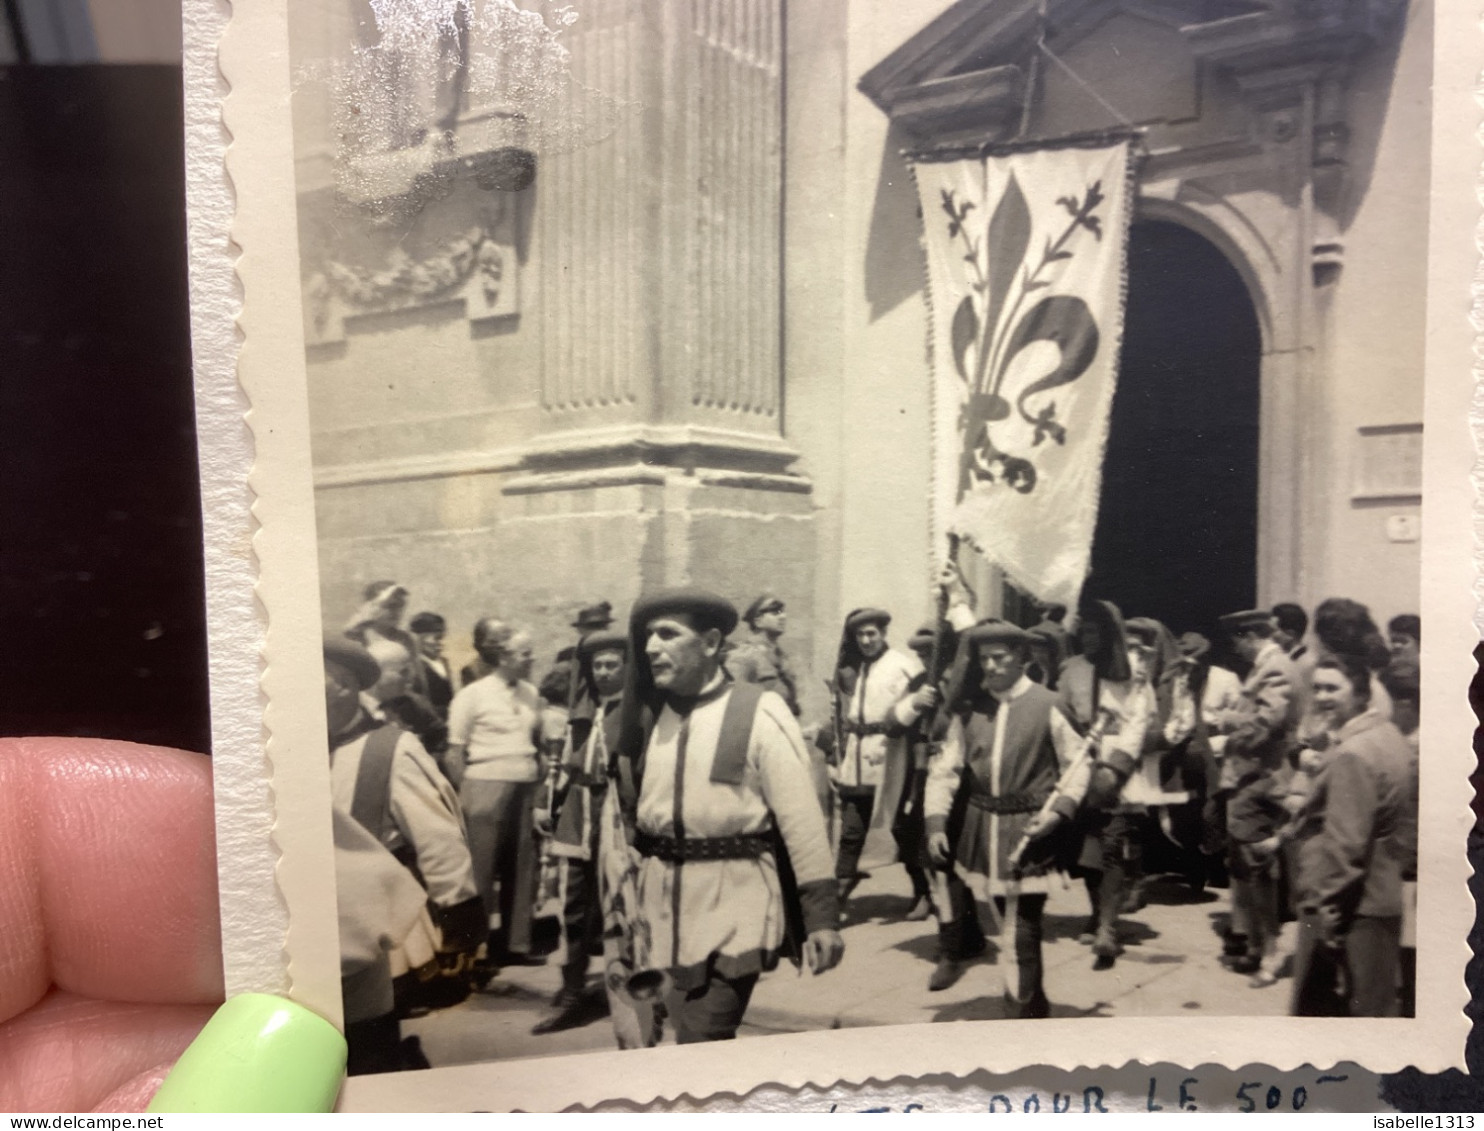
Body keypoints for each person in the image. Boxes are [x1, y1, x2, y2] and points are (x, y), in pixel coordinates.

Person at [611, 588, 844, 1043]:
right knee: (672, 1043)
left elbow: (802, 820)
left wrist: (822, 918)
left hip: (735, 903)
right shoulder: (648, 715)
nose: (651, 647)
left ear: (712, 643)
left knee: (702, 1038)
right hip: (661, 908)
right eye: (647, 636)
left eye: (667, 634)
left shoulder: (758, 710)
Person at [324, 638, 484, 1060]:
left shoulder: (391, 748)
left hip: (373, 931)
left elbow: (439, 836)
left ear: (343, 685)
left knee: (368, 1042)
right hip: (311, 930)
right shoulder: (288, 748)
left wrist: (459, 922)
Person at [922, 619, 1092, 1009]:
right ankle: (1032, 1002)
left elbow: (1079, 764)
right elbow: (945, 771)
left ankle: (1020, 1014)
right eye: (985, 660)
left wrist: (1060, 811)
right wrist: (935, 822)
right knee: (1009, 924)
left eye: (1000, 658)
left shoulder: (1048, 704)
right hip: (982, 833)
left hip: (1030, 832)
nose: (991, 667)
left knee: (1019, 929)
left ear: (1021, 658)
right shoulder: (970, 713)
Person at [1288, 656, 1415, 1016]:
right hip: (1383, 894)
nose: (1322, 697)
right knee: (1375, 1002)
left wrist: (1327, 918)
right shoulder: (1389, 736)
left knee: (1332, 1016)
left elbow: (1346, 848)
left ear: (1361, 694)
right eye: (1317, 688)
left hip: (1348, 904)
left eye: (1332, 688)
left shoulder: (1353, 754)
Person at [533, 630, 628, 1036]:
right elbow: (558, 765)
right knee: (574, 907)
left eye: (612, 664)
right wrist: (544, 801)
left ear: (626, 668)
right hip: (579, 813)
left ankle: (628, 991)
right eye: (597, 666)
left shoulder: (638, 711)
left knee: (622, 904)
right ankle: (572, 992)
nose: (604, 672)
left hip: (618, 815)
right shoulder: (581, 714)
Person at [1058, 599, 1163, 967]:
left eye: (1095, 631)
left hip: (1116, 772)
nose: (1088, 638)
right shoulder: (1070, 671)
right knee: (1087, 854)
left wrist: (1114, 768)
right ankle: (1095, 911)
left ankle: (1108, 927)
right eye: (1084, 631)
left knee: (1113, 846)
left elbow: (1139, 721)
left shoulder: (1131, 671)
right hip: (1079, 768)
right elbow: (1062, 718)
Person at [446, 621, 544, 969]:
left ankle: (516, 943)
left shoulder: (531, 693)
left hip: (524, 784)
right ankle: (478, 948)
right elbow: (455, 752)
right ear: (503, 656)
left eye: (531, 652)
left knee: (523, 867)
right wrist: (464, 797)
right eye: (523, 653)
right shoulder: (472, 695)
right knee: (481, 870)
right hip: (484, 786)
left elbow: (537, 743)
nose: (531, 659)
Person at [1215, 608, 1304, 987]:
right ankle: (1257, 946)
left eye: (1237, 641)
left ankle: (1269, 953)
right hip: (1250, 781)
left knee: (1260, 873)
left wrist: (1228, 725)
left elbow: (1269, 723)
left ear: (1250, 635)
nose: (1236, 650)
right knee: (1248, 872)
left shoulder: (1276, 668)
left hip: (1261, 780)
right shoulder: (1268, 667)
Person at [825, 607, 923, 915]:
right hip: (856, 758)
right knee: (851, 830)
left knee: (900, 828)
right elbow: (840, 714)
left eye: (872, 634)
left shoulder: (902, 665)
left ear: (883, 634)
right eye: (860, 635)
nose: (866, 640)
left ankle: (923, 892)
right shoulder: (855, 668)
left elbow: (923, 702)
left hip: (889, 753)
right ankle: (837, 897)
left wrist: (906, 715)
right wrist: (834, 757)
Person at [366, 638, 448, 760]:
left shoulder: (415, 703)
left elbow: (440, 740)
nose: (411, 678)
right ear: (375, 673)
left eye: (410, 670)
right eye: (403, 672)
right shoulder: (351, 710)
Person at [344, 581, 427, 697]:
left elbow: (418, 681)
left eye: (400, 606)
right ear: (372, 606)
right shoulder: (356, 637)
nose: (397, 612)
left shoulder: (405, 639)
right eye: (391, 606)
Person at [725, 592, 801, 716]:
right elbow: (733, 704)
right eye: (775, 612)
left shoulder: (782, 658)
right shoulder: (744, 656)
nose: (783, 617)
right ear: (758, 621)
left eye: (782, 612)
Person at [408, 611, 455, 718]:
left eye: (443, 637)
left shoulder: (444, 662)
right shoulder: (413, 666)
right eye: (437, 638)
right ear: (421, 638)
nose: (441, 643)